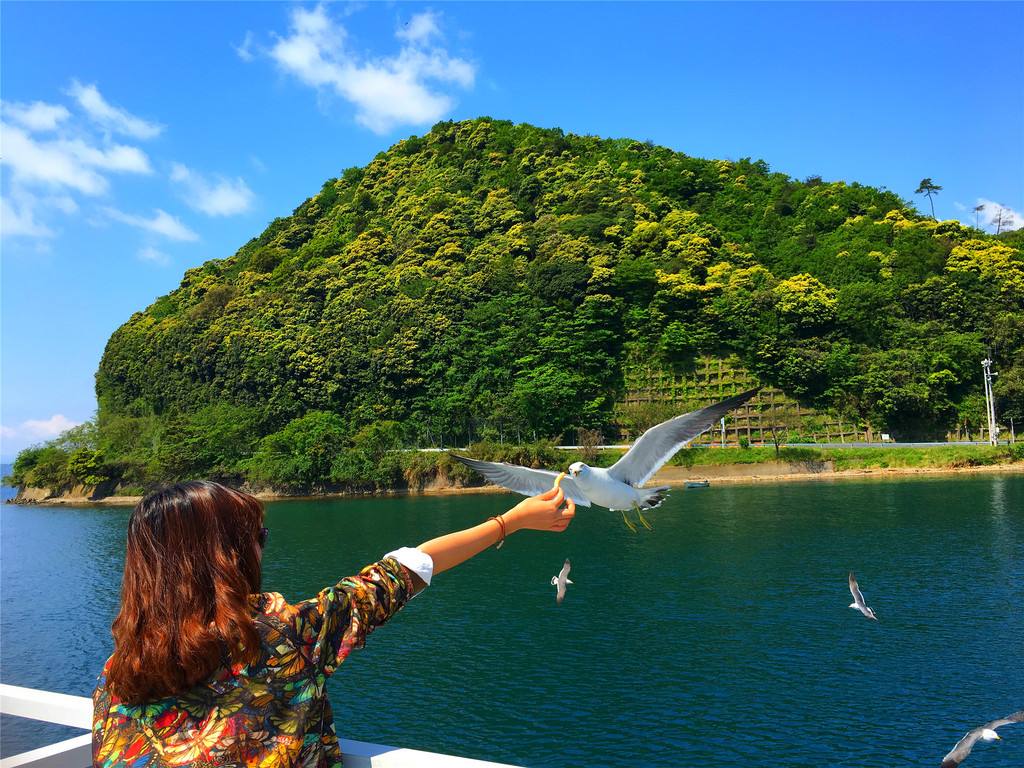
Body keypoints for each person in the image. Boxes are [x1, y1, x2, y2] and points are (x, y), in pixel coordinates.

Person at [92, 480, 575, 766]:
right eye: (259, 535)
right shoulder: (284, 639)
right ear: (229, 557)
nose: (262, 545)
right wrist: (511, 521)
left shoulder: (117, 674)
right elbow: (405, 569)